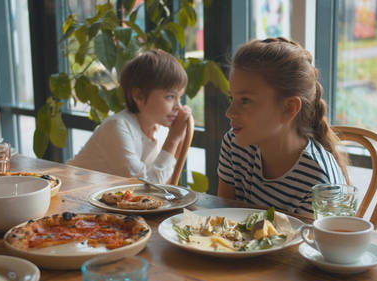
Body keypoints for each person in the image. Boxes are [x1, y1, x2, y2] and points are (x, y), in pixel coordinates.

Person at [217, 37, 349, 216]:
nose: (229, 112)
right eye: (232, 98)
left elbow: (311, 244)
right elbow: (222, 219)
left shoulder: (321, 183)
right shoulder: (234, 145)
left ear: (289, 108)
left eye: (245, 100)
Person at [67, 49, 191, 184]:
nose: (178, 106)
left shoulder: (158, 128)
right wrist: (172, 140)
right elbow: (143, 187)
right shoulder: (117, 126)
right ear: (138, 95)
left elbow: (162, 186)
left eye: (180, 98)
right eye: (170, 97)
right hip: (72, 197)